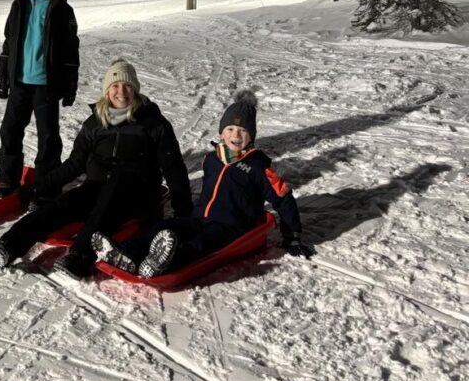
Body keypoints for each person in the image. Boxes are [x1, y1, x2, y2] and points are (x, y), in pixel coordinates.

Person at [0, 58, 193, 278]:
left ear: (135, 89)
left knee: (112, 193)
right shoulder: (95, 123)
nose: (121, 92)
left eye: (127, 86)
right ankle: (9, 245)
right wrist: (37, 187)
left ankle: (79, 256)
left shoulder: (154, 124)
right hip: (96, 188)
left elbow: (173, 168)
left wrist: (183, 210)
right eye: (115, 86)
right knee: (61, 205)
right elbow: (75, 164)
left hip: (136, 195)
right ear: (107, 90)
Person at [91, 90, 314, 279]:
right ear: (221, 132)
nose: (235, 135)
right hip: (199, 217)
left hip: (229, 227)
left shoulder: (258, 167)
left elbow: (283, 198)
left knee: (201, 244)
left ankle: (164, 263)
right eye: (230, 129)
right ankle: (126, 253)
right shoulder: (212, 159)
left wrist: (292, 235)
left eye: (243, 131)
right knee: (165, 228)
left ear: (252, 136)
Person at [0, 0, 79, 197]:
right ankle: (8, 181)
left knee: (48, 138)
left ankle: (46, 185)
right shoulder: (18, 5)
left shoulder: (61, 8)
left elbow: (71, 49)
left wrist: (70, 83)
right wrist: (3, 75)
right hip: (20, 82)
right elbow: (9, 42)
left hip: (46, 84)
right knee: (9, 131)